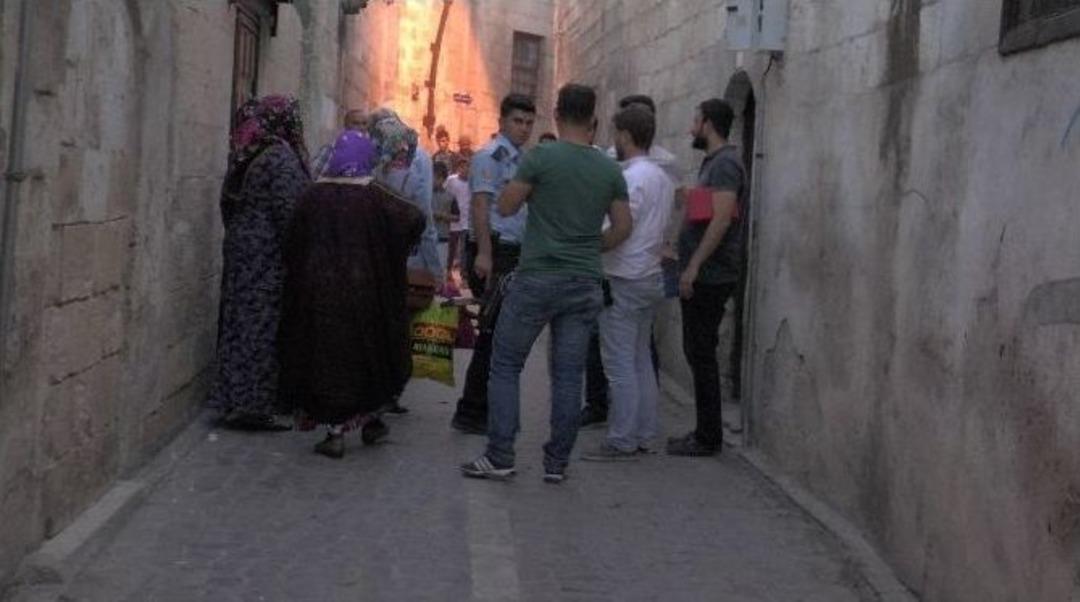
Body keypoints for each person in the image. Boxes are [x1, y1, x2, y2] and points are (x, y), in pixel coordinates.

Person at [461, 83, 632, 483]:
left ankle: (500, 454)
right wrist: (591, 245)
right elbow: (623, 227)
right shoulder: (609, 169)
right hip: (584, 279)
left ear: (556, 115)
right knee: (569, 374)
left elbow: (506, 205)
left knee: (505, 363)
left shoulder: (540, 156)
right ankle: (556, 464)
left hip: (538, 274)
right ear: (592, 119)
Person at [279, 130, 426, 458]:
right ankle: (369, 420)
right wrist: (390, 250)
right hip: (367, 294)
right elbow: (415, 217)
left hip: (319, 296)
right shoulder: (376, 196)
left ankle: (337, 432)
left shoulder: (311, 196)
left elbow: (290, 240)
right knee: (371, 355)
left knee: (329, 362)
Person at [208, 95, 311, 430]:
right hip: (266, 257)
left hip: (241, 251)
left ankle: (232, 399)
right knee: (261, 328)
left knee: (238, 325)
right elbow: (290, 213)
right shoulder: (280, 158)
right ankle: (254, 406)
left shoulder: (248, 152)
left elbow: (227, 203)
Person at [581, 105, 674, 461]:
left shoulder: (633, 178)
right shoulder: (662, 177)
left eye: (616, 133)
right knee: (640, 361)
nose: (613, 140)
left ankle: (621, 439)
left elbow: (621, 228)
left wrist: (590, 245)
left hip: (624, 276)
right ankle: (645, 434)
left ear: (625, 136)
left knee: (619, 363)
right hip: (649, 276)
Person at [449, 94, 536, 434]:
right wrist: (484, 254)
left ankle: (477, 409)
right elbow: (482, 207)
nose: (524, 128)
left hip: (512, 251)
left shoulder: (520, 159)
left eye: (529, 122)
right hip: (495, 251)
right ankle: (470, 411)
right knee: (491, 334)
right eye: (517, 121)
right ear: (502, 121)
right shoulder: (490, 156)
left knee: (498, 335)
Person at [667, 98, 747, 457]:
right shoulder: (715, 162)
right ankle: (705, 431)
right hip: (704, 270)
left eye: (695, 120)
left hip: (711, 275)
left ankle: (707, 437)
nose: (690, 128)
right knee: (697, 351)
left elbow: (722, 218)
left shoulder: (727, 163)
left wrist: (694, 265)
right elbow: (710, 209)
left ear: (709, 124)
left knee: (701, 353)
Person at [311, 109, 367, 177]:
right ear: (346, 126)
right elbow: (314, 176)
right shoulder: (331, 150)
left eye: (364, 123)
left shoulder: (369, 151)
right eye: (355, 123)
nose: (361, 127)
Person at [444, 154, 471, 284]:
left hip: (467, 222)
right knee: (451, 248)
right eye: (464, 167)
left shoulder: (473, 182)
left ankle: (464, 276)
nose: (466, 170)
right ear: (459, 168)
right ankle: (447, 271)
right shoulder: (451, 180)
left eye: (468, 167)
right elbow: (445, 195)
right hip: (453, 220)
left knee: (464, 251)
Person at [432, 161, 457, 244]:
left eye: (438, 178)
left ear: (443, 179)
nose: (434, 180)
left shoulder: (450, 196)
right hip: (425, 237)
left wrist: (443, 216)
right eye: (433, 177)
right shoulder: (424, 194)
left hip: (443, 237)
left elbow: (457, 217)